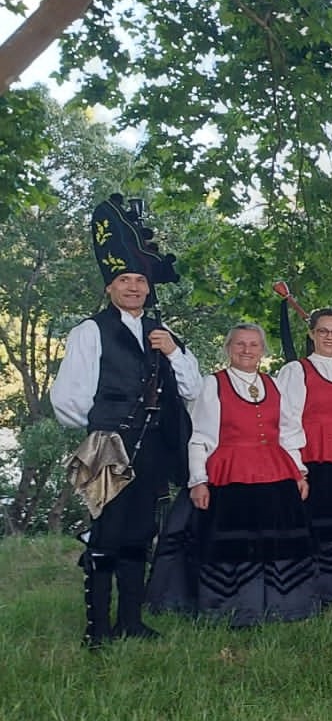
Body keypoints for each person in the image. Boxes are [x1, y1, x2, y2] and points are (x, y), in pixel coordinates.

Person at [51, 195, 198, 646]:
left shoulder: (164, 334)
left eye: (139, 280)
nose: (133, 287)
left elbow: (192, 389)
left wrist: (173, 352)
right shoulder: (90, 331)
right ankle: (97, 630)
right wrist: (104, 429)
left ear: (148, 288)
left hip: (152, 450)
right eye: (124, 280)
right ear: (110, 287)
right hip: (108, 448)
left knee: (139, 534)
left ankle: (131, 621)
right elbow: (67, 401)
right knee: (105, 534)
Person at [185, 324, 319, 625]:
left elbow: (288, 432)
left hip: (275, 469)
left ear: (262, 350)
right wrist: (198, 480)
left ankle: (284, 606)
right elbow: (199, 436)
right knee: (237, 540)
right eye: (240, 344)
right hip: (231, 472)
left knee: (278, 538)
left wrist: (299, 472)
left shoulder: (275, 384)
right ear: (228, 348)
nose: (247, 350)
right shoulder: (213, 384)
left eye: (254, 344)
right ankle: (235, 609)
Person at [271, 308, 332, 603]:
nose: (329, 337)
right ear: (311, 334)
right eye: (323, 331)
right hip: (314, 454)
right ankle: (318, 589)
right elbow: (286, 418)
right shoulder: (297, 371)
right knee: (318, 520)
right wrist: (296, 465)